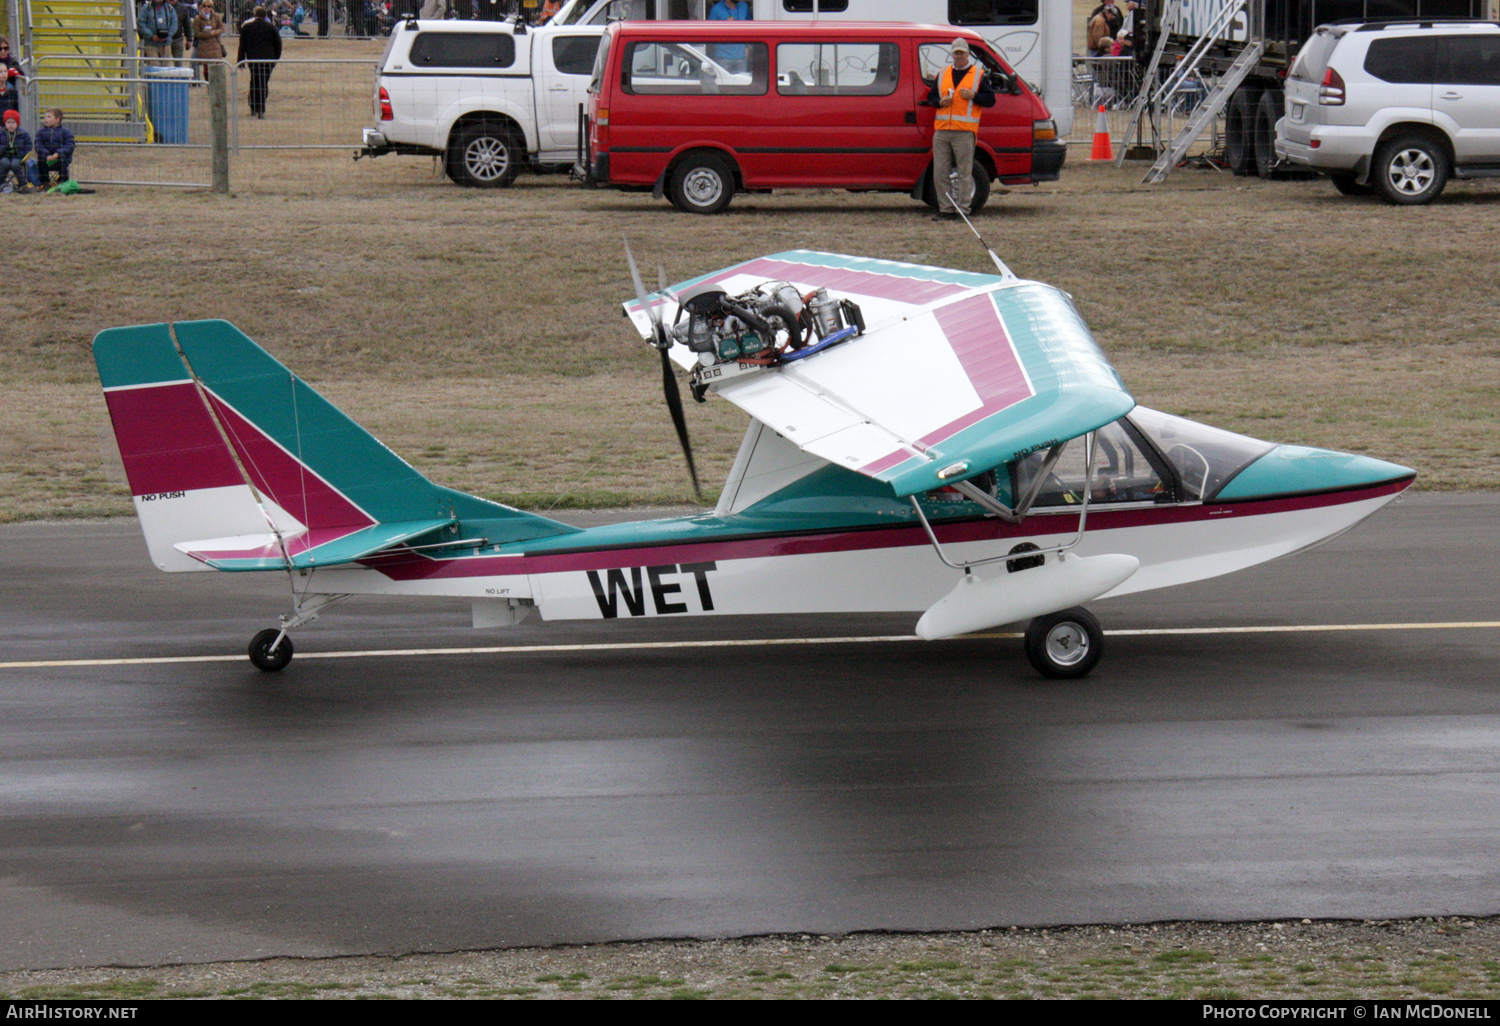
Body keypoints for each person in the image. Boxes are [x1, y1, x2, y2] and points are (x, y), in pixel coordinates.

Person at [921, 37, 994, 221]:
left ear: (968, 54)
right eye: (956, 53)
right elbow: (931, 98)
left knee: (964, 172)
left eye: (962, 52)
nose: (959, 56)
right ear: (952, 54)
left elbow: (990, 100)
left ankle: (963, 210)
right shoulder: (943, 73)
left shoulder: (978, 74)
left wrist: (973, 96)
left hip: (964, 131)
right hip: (942, 130)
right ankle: (945, 209)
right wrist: (939, 102)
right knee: (940, 172)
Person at [236, 5, 282, 118]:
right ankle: (261, 108)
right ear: (265, 16)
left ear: (254, 15)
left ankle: (253, 107)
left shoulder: (247, 27)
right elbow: (278, 45)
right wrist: (275, 59)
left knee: (254, 82)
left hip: (253, 60)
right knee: (263, 83)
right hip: (267, 60)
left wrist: (241, 61)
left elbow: (242, 46)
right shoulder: (271, 27)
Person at [33, 108, 75, 188]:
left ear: (57, 119)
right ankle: (45, 182)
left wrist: (58, 153)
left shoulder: (66, 132)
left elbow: (69, 145)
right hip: (46, 158)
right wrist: (47, 154)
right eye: (45, 117)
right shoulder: (40, 132)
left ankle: (63, 181)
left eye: (49, 117)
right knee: (41, 158)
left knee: (63, 157)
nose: (46, 119)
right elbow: (38, 145)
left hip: (60, 158)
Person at [138, 0, 180, 66]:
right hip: (150, 43)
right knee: (153, 65)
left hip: (166, 43)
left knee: (166, 66)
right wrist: (151, 36)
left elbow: (174, 24)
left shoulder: (170, 8)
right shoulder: (146, 8)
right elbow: (141, 24)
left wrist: (167, 35)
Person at [0, 109, 32, 194]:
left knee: (15, 164)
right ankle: (1, 183)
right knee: (5, 163)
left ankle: (22, 185)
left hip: (18, 156)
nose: (11, 125)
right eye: (8, 122)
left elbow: (28, 145)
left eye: (13, 123)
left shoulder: (23, 133)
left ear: (17, 124)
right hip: (4, 155)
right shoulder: (1, 133)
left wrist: (25, 155)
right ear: (4, 123)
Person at [192, 0, 227, 65]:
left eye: (208, 6)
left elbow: (222, 28)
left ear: (211, 7)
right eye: (204, 6)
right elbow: (196, 33)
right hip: (203, 46)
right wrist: (209, 34)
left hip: (215, 45)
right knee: (206, 69)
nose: (206, 8)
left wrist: (215, 32)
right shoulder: (197, 18)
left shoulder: (216, 16)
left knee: (216, 67)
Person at [0, 38, 22, 119]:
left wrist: (14, 72)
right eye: (0, 49)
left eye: (5, 48)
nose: (3, 51)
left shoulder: (13, 62)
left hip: (9, 96)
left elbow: (22, 75)